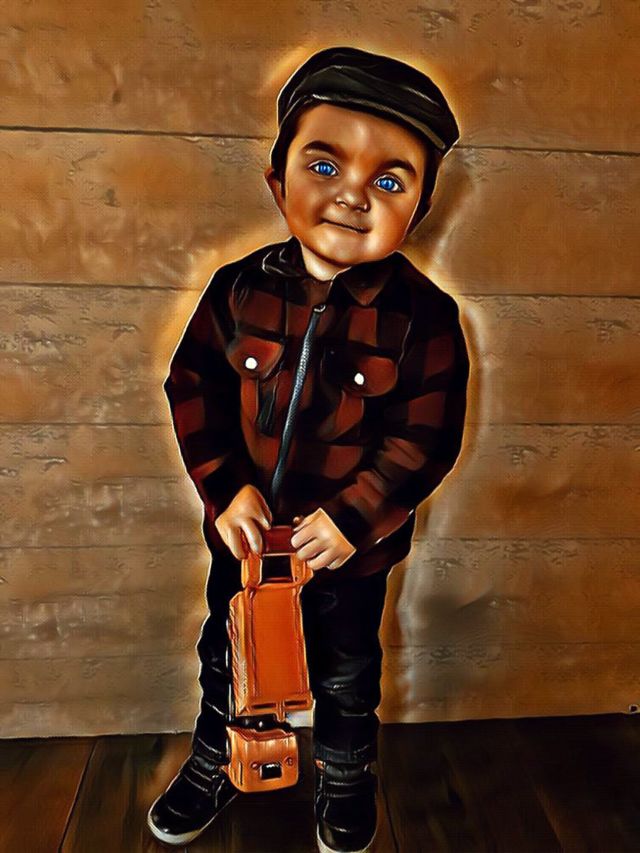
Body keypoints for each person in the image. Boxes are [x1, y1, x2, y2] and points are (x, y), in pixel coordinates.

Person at [147, 45, 470, 853]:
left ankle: (345, 774)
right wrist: (226, 489)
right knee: (230, 656)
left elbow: (425, 437)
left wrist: (354, 518)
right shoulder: (238, 289)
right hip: (249, 544)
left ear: (422, 208)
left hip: (349, 556)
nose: (353, 194)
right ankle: (218, 760)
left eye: (390, 181)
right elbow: (193, 387)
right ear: (276, 179)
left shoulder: (426, 319)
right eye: (325, 165)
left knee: (346, 670)